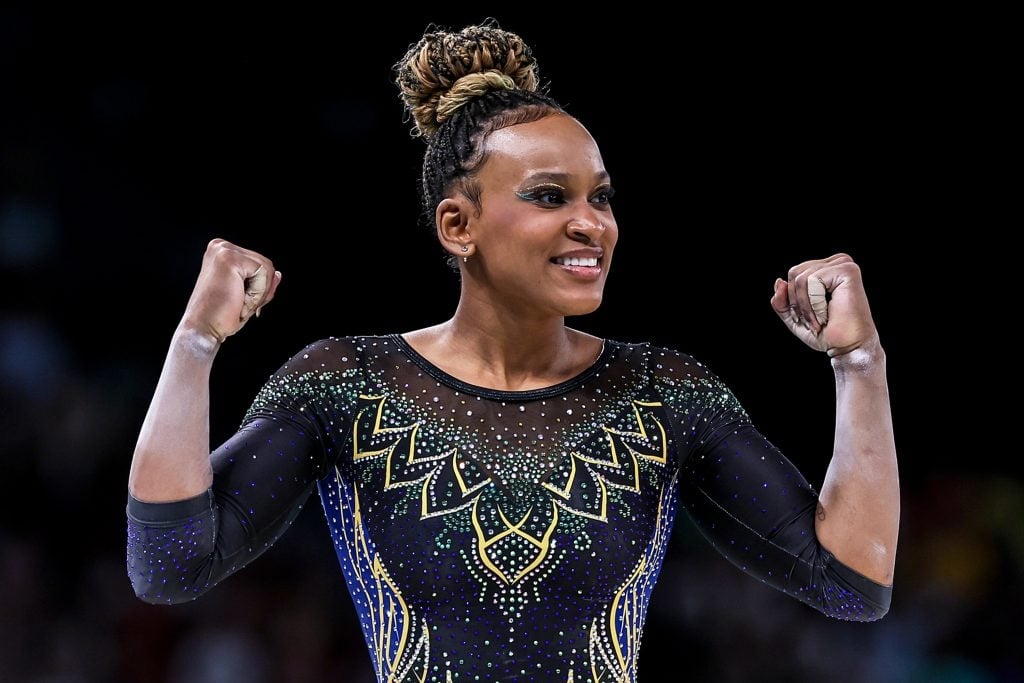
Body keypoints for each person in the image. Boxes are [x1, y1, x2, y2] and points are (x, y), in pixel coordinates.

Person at [125, 19, 899, 683]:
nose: (591, 222)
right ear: (458, 226)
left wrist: (860, 364)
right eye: (549, 195)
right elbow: (168, 565)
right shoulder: (349, 384)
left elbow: (853, 581)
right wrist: (195, 342)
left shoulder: (662, 392)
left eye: (600, 195)